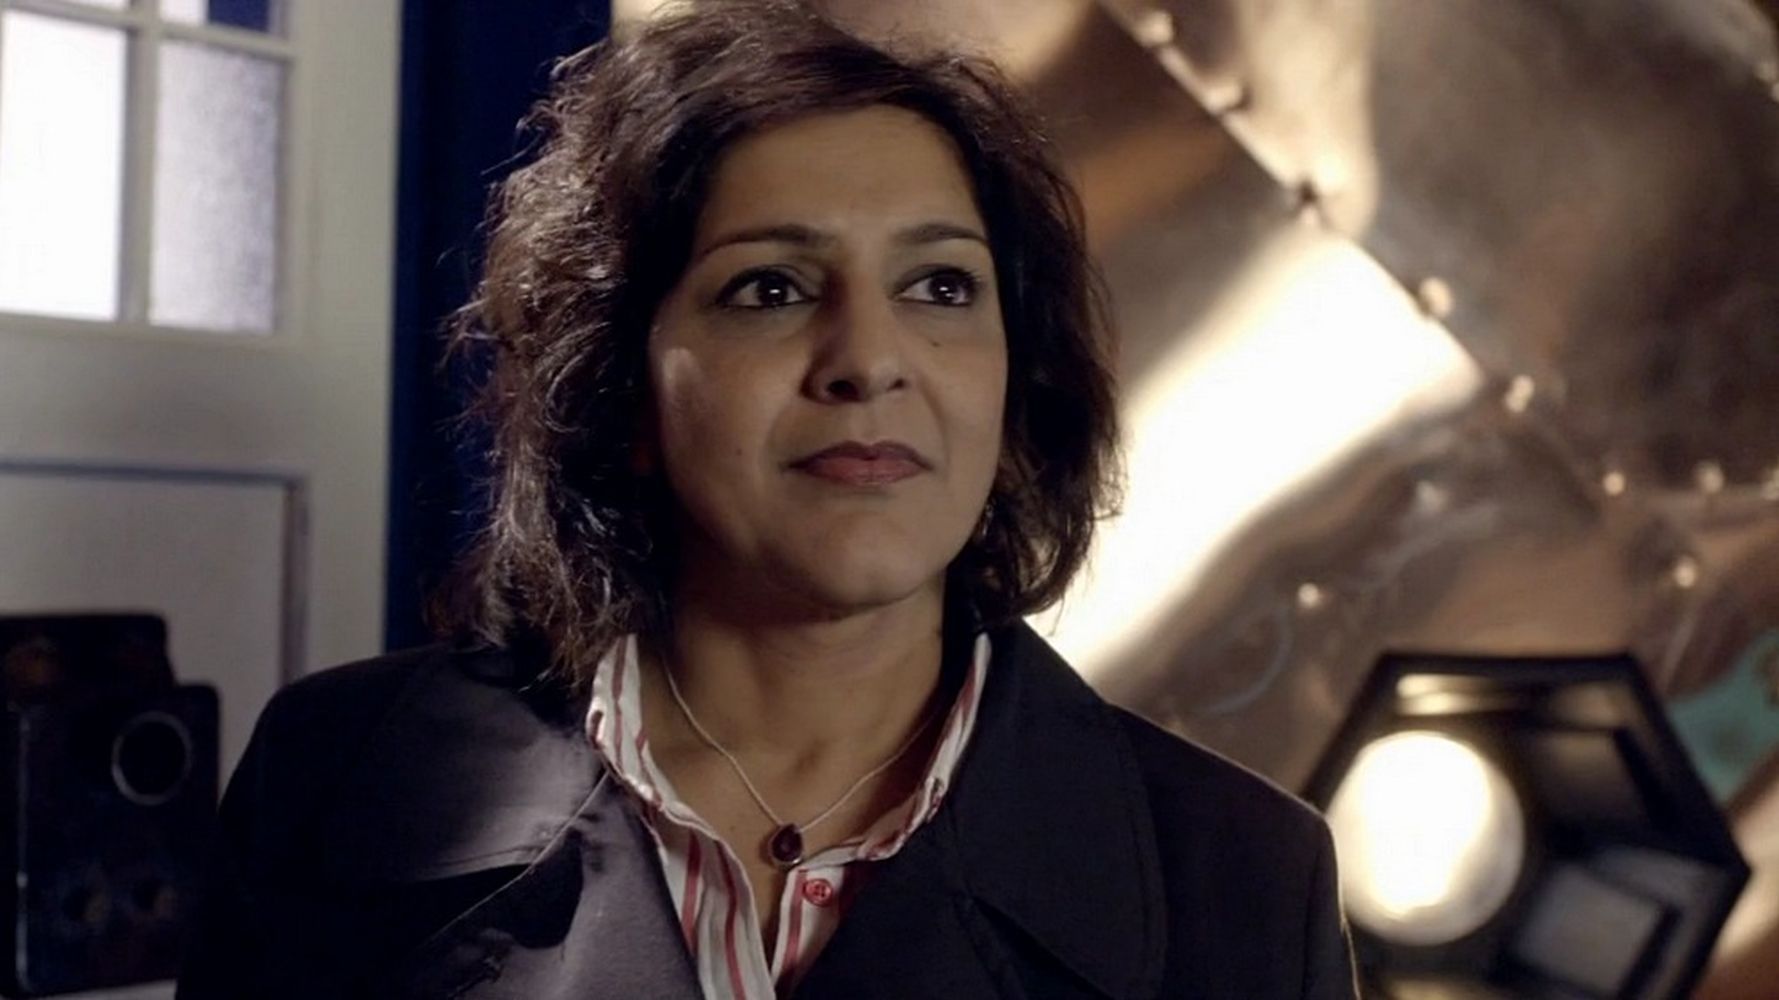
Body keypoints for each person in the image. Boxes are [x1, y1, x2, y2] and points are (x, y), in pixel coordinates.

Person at [177, 1, 1356, 996]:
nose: (869, 359)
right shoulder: (336, 778)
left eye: (941, 286)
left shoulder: (1243, 877)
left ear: (1014, 382)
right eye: (772, 288)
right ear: (621, 382)